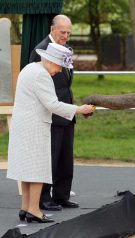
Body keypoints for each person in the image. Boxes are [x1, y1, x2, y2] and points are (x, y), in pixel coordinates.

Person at [7, 43, 95, 223]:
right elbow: (53, 104)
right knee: (38, 168)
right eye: (58, 66)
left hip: (23, 125)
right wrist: (80, 109)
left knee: (26, 168)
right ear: (50, 60)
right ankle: (34, 209)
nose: (59, 71)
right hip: (35, 126)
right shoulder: (42, 75)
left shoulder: (29, 68)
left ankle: (25, 207)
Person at [29, 15, 78, 211]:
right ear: (52, 29)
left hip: (66, 111)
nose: (66, 36)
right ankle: (43, 198)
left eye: (68, 32)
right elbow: (36, 82)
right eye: (62, 32)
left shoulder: (65, 48)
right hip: (50, 112)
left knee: (65, 157)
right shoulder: (40, 50)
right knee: (49, 156)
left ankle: (61, 195)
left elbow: (66, 81)